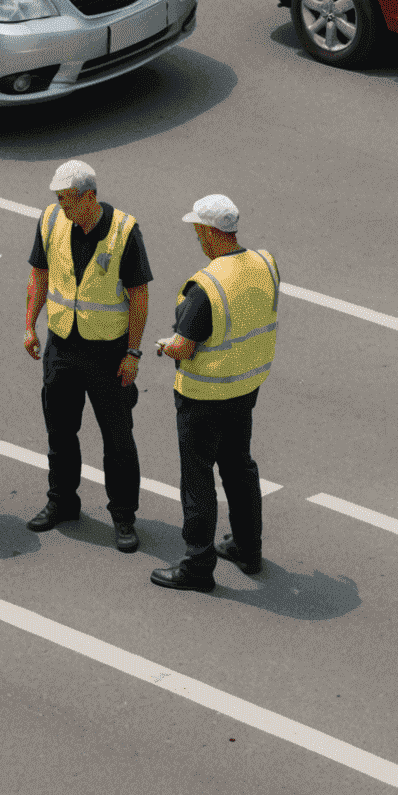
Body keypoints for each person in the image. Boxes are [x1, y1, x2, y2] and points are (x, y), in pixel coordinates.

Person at [151, 194, 279, 593]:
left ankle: (197, 565)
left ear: (209, 232)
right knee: (239, 467)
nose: (197, 239)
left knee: (198, 477)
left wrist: (164, 345)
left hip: (203, 396)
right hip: (245, 388)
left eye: (197, 231)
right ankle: (247, 547)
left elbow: (183, 347)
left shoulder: (205, 287)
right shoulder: (265, 264)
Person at [23, 160, 150, 553]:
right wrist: (29, 325)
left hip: (108, 354)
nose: (61, 206)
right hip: (62, 346)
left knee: (118, 440)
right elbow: (38, 276)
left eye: (67, 200)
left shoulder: (124, 232)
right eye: (58, 199)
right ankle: (62, 502)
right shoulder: (50, 221)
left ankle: (124, 516)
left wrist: (132, 352)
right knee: (60, 432)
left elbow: (139, 296)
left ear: (90, 197)